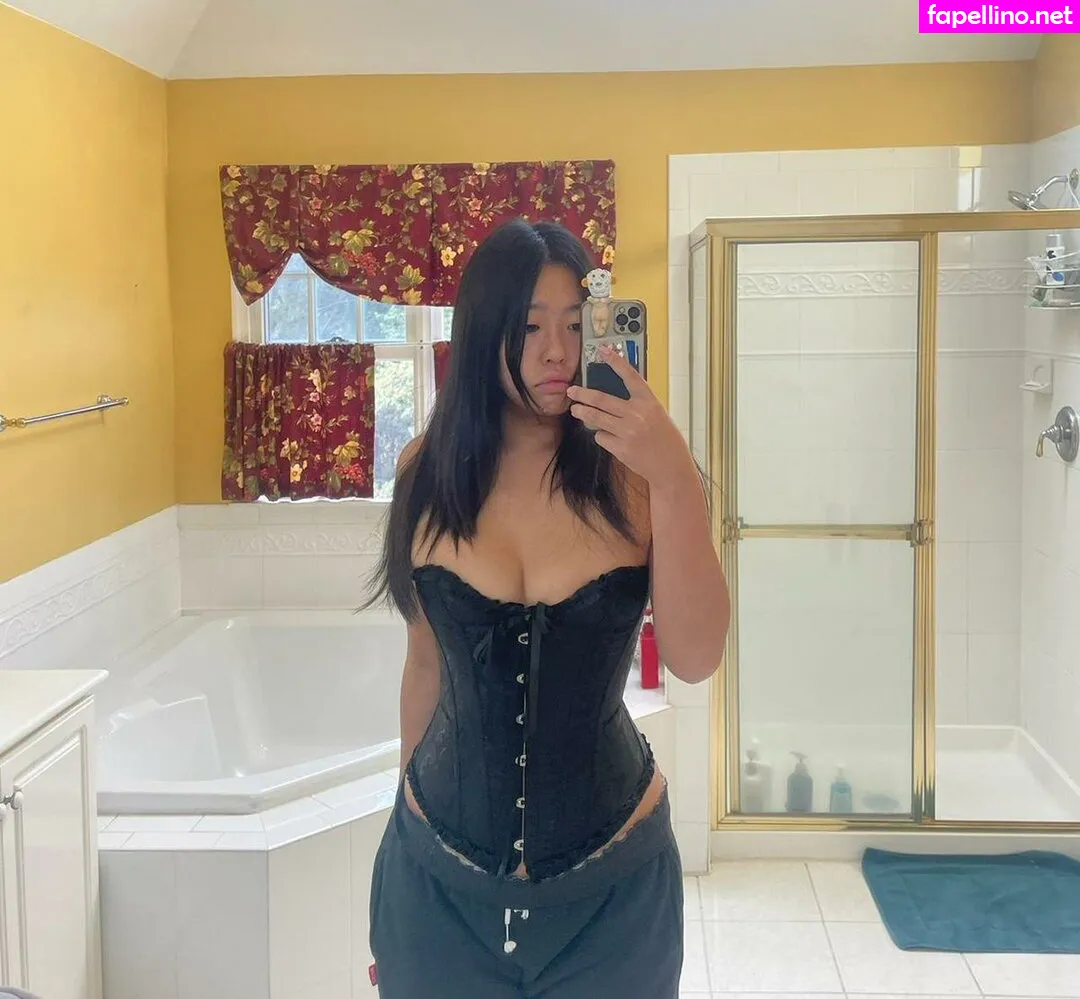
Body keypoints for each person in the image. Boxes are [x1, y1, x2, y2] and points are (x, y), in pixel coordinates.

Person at [361, 218, 730, 998]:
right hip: (435, 892)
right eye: (529, 327)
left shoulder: (636, 473)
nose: (556, 352)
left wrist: (675, 476)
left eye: (573, 324)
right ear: (481, 330)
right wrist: (399, 861)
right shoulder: (428, 471)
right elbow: (425, 666)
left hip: (614, 899)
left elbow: (695, 657)